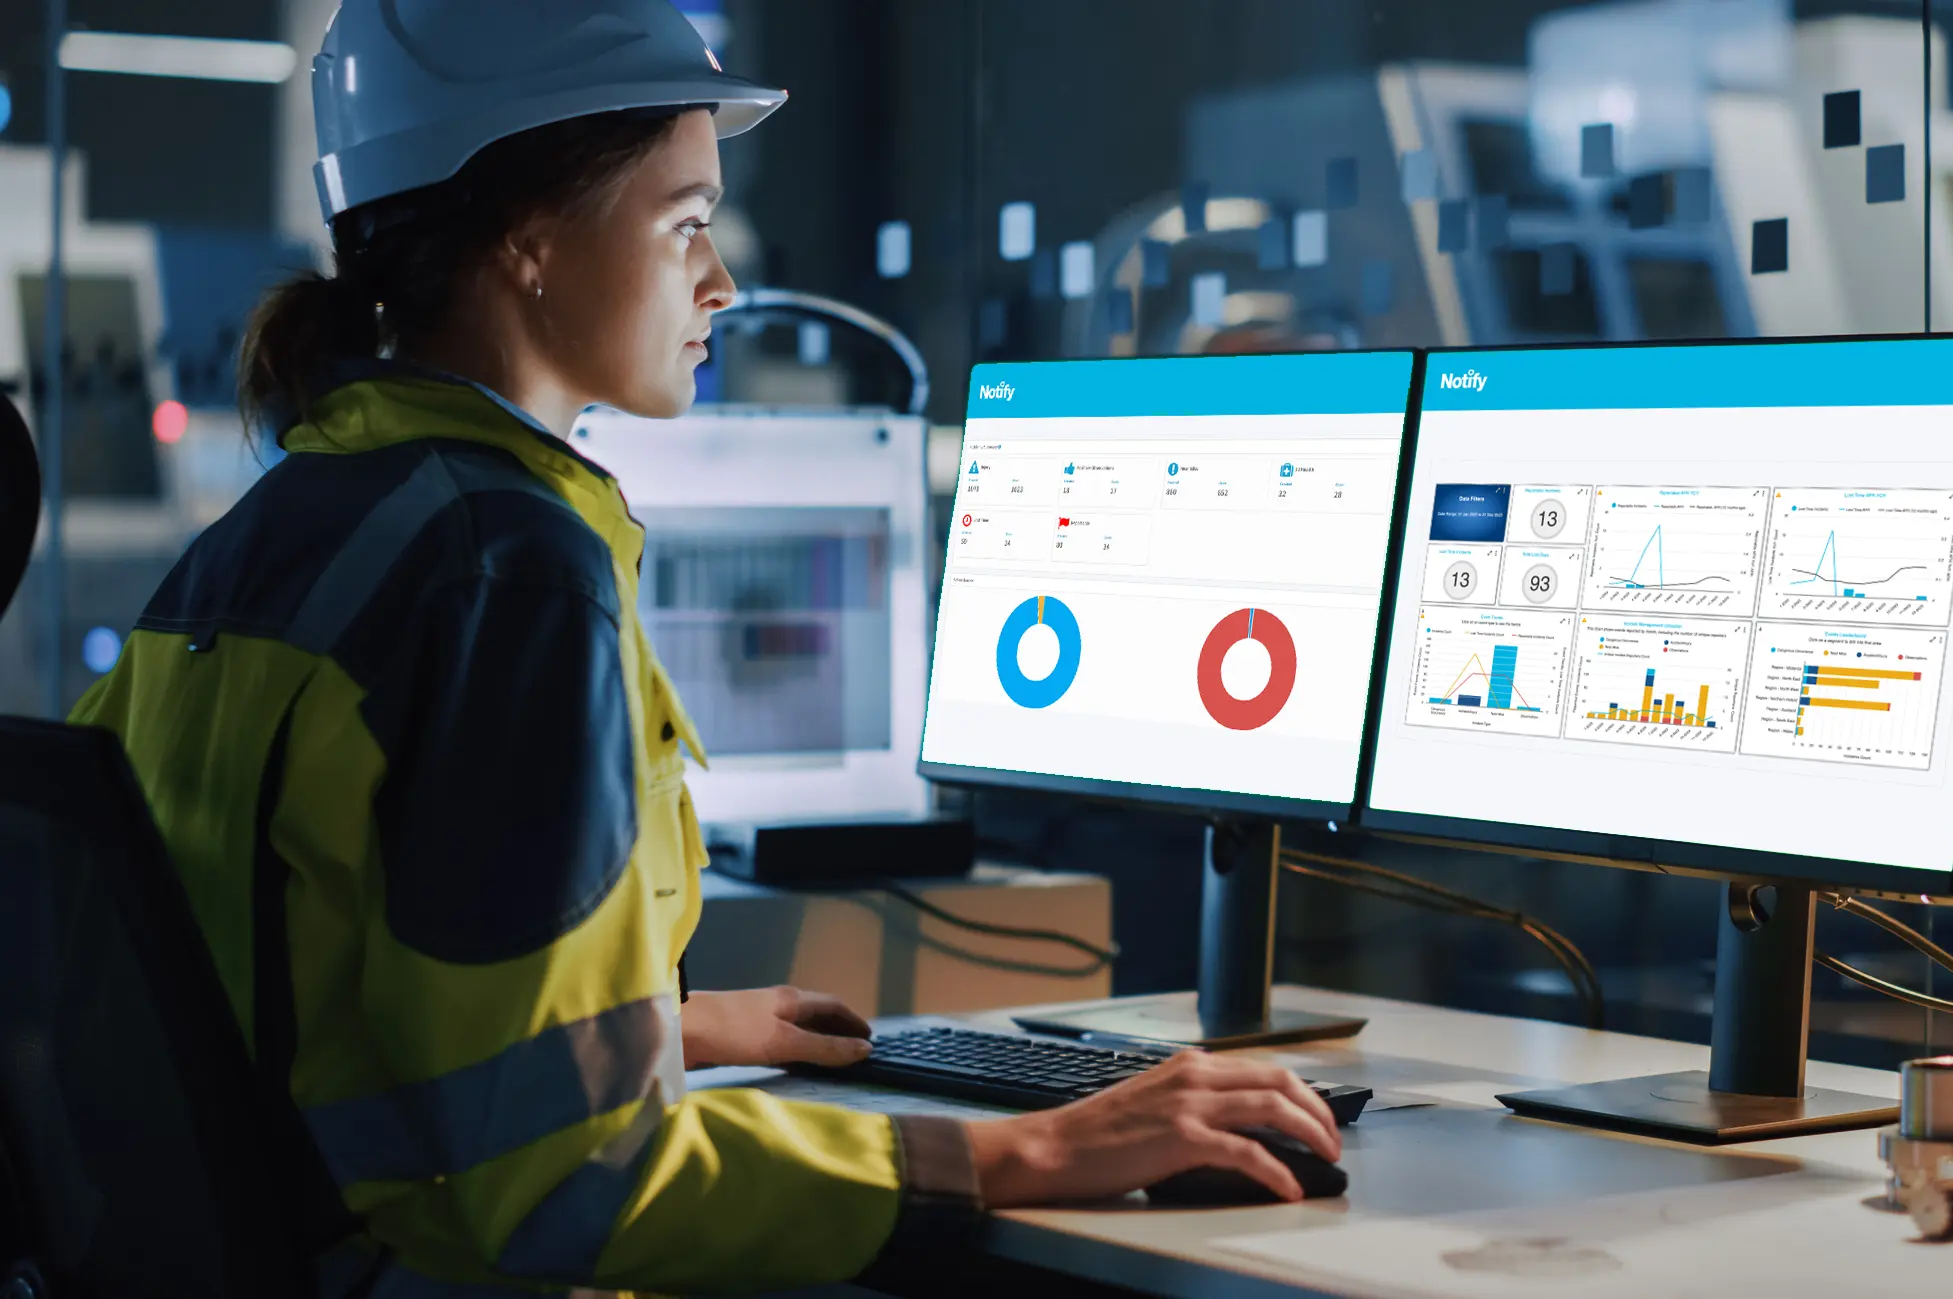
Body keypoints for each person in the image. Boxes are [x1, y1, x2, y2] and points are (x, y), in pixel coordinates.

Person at [67, 2, 1338, 1295]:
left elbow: (261, 998)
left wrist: (654, 1027)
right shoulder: (508, 567)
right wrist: (1021, 1147)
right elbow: (572, 1186)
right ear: (530, 243)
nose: (720, 280)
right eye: (684, 224)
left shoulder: (290, 520)